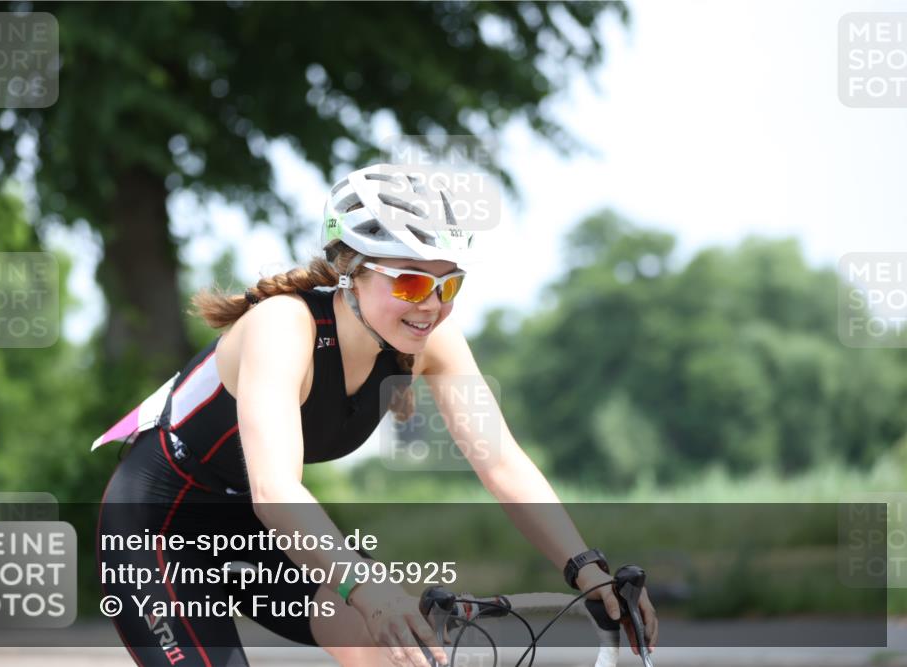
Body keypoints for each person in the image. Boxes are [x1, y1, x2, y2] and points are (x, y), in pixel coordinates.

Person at [94, 164, 658, 667]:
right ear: (351, 272)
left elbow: (501, 462)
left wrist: (587, 568)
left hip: (258, 535)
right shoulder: (282, 327)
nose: (431, 304)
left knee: (404, 652)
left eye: (448, 283)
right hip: (158, 526)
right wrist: (371, 588)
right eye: (411, 281)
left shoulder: (430, 341)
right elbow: (275, 490)